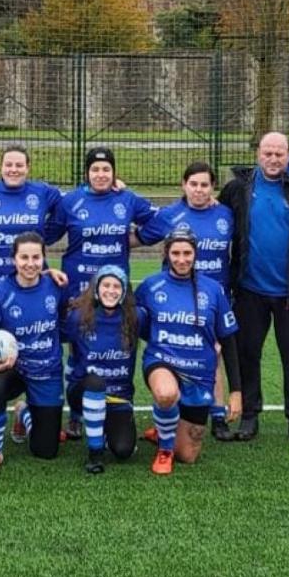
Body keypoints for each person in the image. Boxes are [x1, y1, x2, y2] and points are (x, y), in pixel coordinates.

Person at [218, 132, 289, 446]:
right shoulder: (238, 189)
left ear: (288, 154)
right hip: (249, 291)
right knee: (247, 354)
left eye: (279, 154)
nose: (273, 159)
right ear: (258, 154)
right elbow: (212, 214)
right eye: (267, 153)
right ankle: (250, 415)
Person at [54, 146, 155, 437]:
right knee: (78, 348)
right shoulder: (71, 201)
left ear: (114, 172)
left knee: (119, 342)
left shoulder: (127, 199)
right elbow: (49, 232)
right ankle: (75, 414)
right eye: (95, 169)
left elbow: (157, 224)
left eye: (106, 169)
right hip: (78, 289)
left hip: (115, 290)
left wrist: (134, 240)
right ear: (87, 173)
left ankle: (121, 402)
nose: (101, 174)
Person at [137, 161, 238, 440]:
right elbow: (139, 237)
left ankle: (217, 415)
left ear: (212, 188)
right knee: (173, 353)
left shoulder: (226, 215)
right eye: (193, 184)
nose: (199, 190)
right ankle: (168, 418)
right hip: (173, 298)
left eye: (204, 185)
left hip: (213, 298)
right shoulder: (170, 214)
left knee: (213, 353)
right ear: (184, 185)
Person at [135, 226, 243, 475]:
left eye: (187, 253)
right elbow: (138, 325)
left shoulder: (213, 290)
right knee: (165, 393)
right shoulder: (151, 286)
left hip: (199, 373)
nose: (181, 259)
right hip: (162, 361)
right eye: (175, 253)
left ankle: (165, 428)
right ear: (166, 253)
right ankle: (164, 447)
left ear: (195, 254)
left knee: (188, 455)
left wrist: (235, 392)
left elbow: (228, 340)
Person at [0, 232, 68, 473]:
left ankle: (23, 413)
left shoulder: (56, 286)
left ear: (44, 259)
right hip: (14, 369)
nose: (30, 263)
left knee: (46, 452)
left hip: (47, 371)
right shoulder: (0, 292)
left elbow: (69, 318)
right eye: (24, 257)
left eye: (36, 257)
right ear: (14, 259)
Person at [62, 264, 141, 474]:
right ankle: (95, 453)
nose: (111, 290)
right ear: (96, 289)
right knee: (96, 381)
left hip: (118, 398)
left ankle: (105, 428)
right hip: (83, 391)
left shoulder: (135, 318)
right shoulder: (78, 317)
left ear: (124, 292)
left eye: (117, 286)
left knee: (124, 450)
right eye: (106, 284)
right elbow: (60, 341)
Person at [0, 144, 62, 279]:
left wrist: (44, 237)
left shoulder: (43, 192)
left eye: (19, 165)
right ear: (1, 167)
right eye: (8, 165)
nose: (13, 170)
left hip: (34, 276)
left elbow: (68, 207)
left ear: (27, 168)